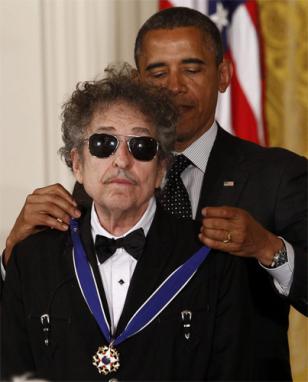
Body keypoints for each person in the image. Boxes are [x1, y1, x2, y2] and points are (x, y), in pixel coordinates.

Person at [1, 6, 307, 381]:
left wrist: (270, 249)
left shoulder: (277, 175)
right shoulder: (103, 177)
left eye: (191, 69)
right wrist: (17, 248)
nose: (173, 86)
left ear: (224, 74)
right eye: (157, 72)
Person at [1, 65, 253, 380]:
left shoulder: (213, 260)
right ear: (77, 164)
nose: (122, 160)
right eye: (104, 144)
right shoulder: (32, 259)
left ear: (161, 169)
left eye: (141, 146)